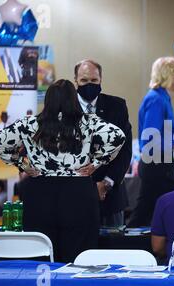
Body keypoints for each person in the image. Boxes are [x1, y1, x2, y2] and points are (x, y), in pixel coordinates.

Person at [0, 79, 125, 262]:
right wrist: (97, 162)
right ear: (74, 100)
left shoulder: (30, 124)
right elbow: (118, 137)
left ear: (48, 100)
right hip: (79, 192)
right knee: (79, 258)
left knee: (41, 254)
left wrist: (23, 164)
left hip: (40, 192)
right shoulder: (88, 123)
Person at [127, 57, 174, 227]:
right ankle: (128, 247)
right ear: (168, 75)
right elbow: (150, 142)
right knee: (144, 215)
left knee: (158, 214)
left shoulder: (163, 98)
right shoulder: (156, 100)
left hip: (164, 165)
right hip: (156, 167)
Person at [74, 59, 132, 227]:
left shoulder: (117, 106)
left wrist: (106, 184)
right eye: (84, 80)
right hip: (75, 196)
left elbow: (125, 150)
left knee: (112, 251)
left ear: (101, 80)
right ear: (76, 80)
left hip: (110, 197)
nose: (89, 84)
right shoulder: (65, 108)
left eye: (94, 80)